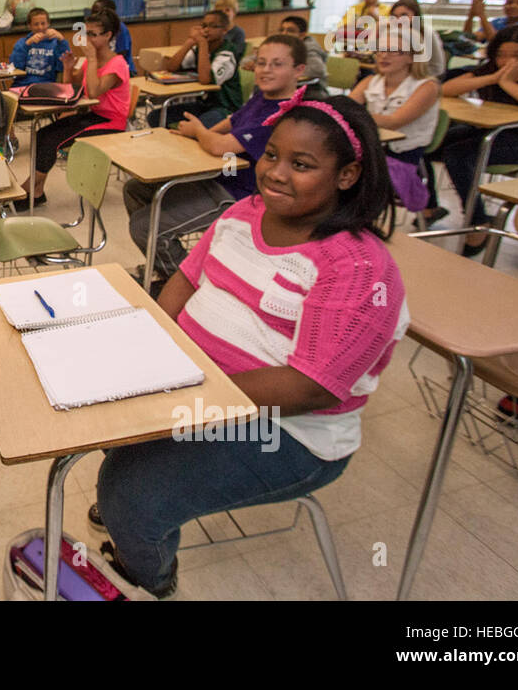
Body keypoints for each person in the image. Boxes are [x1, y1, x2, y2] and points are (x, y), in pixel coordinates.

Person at [95, 94, 408, 598]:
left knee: (127, 494)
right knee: (106, 421)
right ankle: (142, 509)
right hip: (206, 391)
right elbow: (187, 279)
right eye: (271, 155)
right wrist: (151, 347)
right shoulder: (245, 211)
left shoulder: (358, 269)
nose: (276, 173)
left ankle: (149, 577)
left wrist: (185, 397)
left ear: (346, 176)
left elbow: (311, 388)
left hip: (292, 430)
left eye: (301, 165)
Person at [126, 35, 309, 286]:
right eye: (261, 62)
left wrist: (200, 132)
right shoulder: (263, 97)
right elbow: (233, 121)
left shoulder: (284, 114)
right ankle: (165, 263)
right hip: (219, 175)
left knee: (144, 226)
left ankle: (185, 285)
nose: (266, 70)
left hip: (239, 195)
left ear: (299, 70)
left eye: (277, 64)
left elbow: (221, 146)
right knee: (137, 188)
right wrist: (207, 134)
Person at [428, 24, 518, 253]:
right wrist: (493, 77)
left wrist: (507, 83)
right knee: (426, 142)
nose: (508, 61)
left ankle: (478, 221)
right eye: (501, 55)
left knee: (459, 155)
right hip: (492, 131)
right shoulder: (492, 69)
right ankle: (429, 206)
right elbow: (447, 88)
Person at [19, 8, 129, 205]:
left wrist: (92, 58)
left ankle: (31, 189)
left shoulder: (116, 64)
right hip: (92, 114)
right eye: (86, 33)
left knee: (52, 139)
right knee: (42, 134)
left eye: (94, 35)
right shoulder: (90, 61)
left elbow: (94, 91)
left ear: (108, 36)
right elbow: (74, 88)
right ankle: (37, 189)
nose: (88, 40)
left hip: (111, 122)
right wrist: (69, 68)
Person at [347, 34, 439, 213]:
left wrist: (357, 114)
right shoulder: (370, 81)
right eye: (380, 50)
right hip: (372, 149)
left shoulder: (427, 87)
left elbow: (394, 122)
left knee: (351, 177)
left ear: (411, 57)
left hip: (402, 156)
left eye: (393, 51)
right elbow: (345, 108)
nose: (383, 55)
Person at [158, 9, 242, 126]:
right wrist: (189, 42)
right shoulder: (199, 48)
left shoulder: (227, 53)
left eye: (213, 26)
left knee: (197, 127)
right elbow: (171, 68)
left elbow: (205, 79)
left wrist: (202, 43)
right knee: (156, 117)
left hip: (225, 108)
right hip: (204, 104)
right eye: (204, 26)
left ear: (224, 30)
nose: (207, 30)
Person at [9, 7, 70, 87]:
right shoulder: (22, 43)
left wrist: (61, 40)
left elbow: (65, 66)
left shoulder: (55, 44)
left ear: (48, 24)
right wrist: (26, 45)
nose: (40, 28)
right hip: (22, 85)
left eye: (43, 23)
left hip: (46, 86)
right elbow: (14, 68)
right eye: (36, 24)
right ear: (29, 26)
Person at [387, 0, 445, 74]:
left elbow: (437, 68)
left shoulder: (427, 33)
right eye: (395, 16)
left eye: (404, 15)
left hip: (423, 77)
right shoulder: (393, 33)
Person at [91, 0, 136, 76]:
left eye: (97, 12)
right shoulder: (97, 29)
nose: (94, 15)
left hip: (124, 70)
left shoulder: (120, 28)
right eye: (92, 12)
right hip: (105, 67)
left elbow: (121, 53)